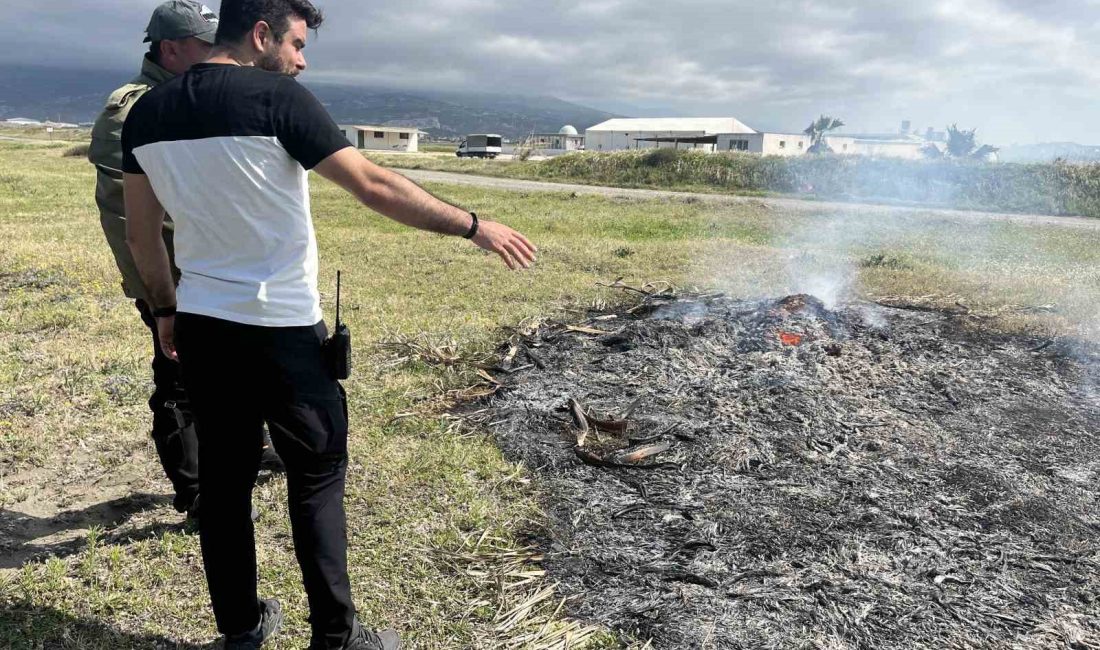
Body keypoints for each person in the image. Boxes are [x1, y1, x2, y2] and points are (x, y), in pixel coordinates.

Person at [120, 0, 537, 647]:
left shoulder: (147, 114)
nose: (302, 61)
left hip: (203, 326)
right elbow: (373, 185)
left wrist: (165, 309)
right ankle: (336, 638)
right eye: (296, 44)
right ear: (261, 34)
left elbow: (142, 232)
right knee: (315, 480)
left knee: (225, 487)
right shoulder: (279, 100)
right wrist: (474, 226)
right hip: (284, 331)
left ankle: (240, 631)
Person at [89, 0, 282, 523]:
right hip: (173, 273)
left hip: (219, 266)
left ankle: (254, 446)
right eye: (204, 45)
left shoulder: (191, 97)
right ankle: (195, 490)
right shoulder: (133, 109)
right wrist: (163, 293)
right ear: (171, 49)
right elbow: (131, 217)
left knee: (240, 365)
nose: (218, 54)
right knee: (181, 379)